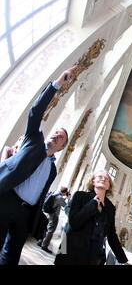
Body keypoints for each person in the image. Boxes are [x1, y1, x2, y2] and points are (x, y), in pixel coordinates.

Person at [0, 66, 77, 265]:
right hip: (7, 199)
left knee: (11, 256)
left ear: (61, 148)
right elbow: (35, 112)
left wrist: (33, 219)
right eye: (57, 131)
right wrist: (58, 83)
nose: (58, 134)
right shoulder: (33, 140)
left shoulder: (52, 169)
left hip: (25, 213)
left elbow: (43, 193)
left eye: (62, 137)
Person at [54, 170, 129, 265]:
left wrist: (124, 260)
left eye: (107, 179)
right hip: (71, 252)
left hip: (94, 257)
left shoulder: (111, 208)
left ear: (109, 186)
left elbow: (112, 235)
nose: (103, 179)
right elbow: (74, 223)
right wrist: (92, 204)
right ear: (93, 181)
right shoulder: (80, 196)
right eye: (100, 177)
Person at [37, 186, 70, 253]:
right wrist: (68, 198)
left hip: (48, 213)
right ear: (65, 192)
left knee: (46, 228)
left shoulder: (55, 193)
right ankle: (44, 245)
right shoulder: (60, 198)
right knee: (51, 230)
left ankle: (40, 241)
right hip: (54, 215)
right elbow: (66, 206)